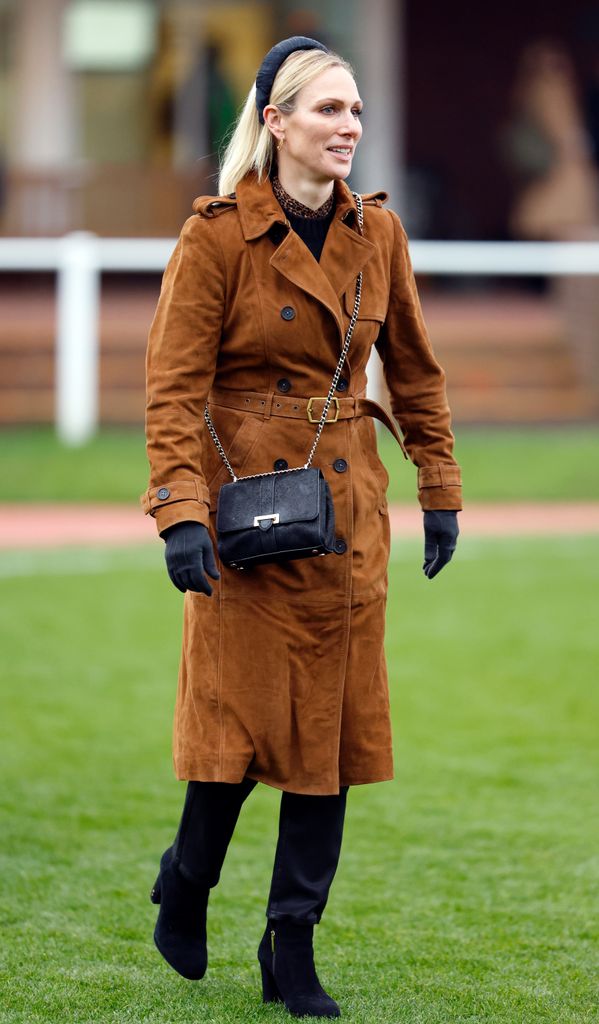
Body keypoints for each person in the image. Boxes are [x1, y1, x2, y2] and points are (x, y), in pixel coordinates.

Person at [141, 36, 461, 1020]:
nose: (348, 129)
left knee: (329, 739)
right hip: (243, 516)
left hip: (344, 513)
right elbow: (172, 387)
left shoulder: (379, 233)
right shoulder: (215, 236)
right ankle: (187, 879)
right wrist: (179, 513)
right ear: (274, 122)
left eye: (356, 112)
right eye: (327, 111)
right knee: (233, 735)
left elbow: (412, 368)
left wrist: (437, 485)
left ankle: (292, 942)